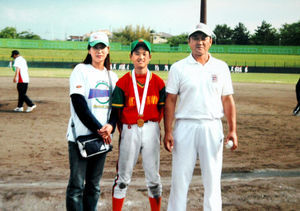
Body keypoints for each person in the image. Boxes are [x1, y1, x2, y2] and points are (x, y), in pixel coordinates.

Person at [163, 23, 238, 211]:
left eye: (204, 38)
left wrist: (233, 130)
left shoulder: (221, 67)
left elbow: (228, 100)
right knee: (180, 178)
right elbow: (170, 100)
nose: (200, 42)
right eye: (195, 38)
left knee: (212, 179)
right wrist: (168, 131)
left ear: (210, 41)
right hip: (185, 127)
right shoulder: (178, 68)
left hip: (212, 126)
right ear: (189, 42)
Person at [100, 39, 166, 211]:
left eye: (144, 54)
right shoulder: (122, 83)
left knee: (153, 177)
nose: (140, 57)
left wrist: (167, 132)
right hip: (130, 130)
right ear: (130, 57)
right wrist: (112, 126)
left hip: (151, 129)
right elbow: (115, 113)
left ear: (150, 57)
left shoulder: (159, 82)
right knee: (123, 178)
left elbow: (164, 110)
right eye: (137, 53)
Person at [65, 32, 118, 211]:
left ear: (108, 50)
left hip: (101, 139)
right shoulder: (81, 70)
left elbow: (115, 109)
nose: (99, 51)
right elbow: (79, 105)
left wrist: (111, 126)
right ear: (89, 50)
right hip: (80, 138)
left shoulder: (112, 76)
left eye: (102, 47)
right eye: (95, 47)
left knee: (94, 186)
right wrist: (99, 129)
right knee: (76, 186)